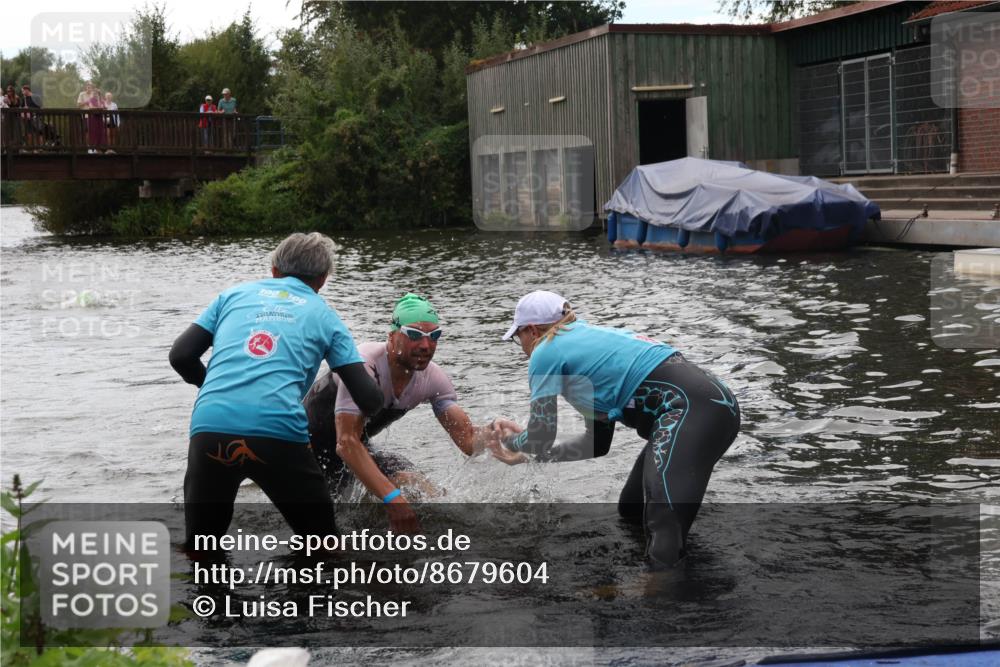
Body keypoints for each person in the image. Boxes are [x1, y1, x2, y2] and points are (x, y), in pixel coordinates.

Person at [494, 290, 740, 568]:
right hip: (712, 406)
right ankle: (677, 573)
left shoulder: (547, 350)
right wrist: (529, 455)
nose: (523, 347)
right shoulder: (590, 350)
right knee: (632, 510)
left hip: (690, 411)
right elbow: (596, 445)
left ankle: (658, 599)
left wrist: (510, 441)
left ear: (531, 330)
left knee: (663, 522)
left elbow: (539, 435)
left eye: (518, 338)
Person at [169, 232, 382, 550]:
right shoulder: (324, 315)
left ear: (273, 269)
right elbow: (368, 398)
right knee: (321, 545)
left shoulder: (232, 296)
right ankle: (304, 597)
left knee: (201, 548)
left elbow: (181, 356)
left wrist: (212, 387)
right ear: (322, 280)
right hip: (278, 432)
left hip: (211, 427)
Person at [303, 293, 523, 533]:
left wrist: (494, 433)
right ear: (392, 336)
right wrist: (393, 500)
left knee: (418, 487)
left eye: (434, 336)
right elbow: (346, 442)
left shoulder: (432, 379)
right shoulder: (364, 364)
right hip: (303, 453)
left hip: (353, 449)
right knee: (337, 529)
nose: (426, 346)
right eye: (415, 335)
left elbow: (468, 440)